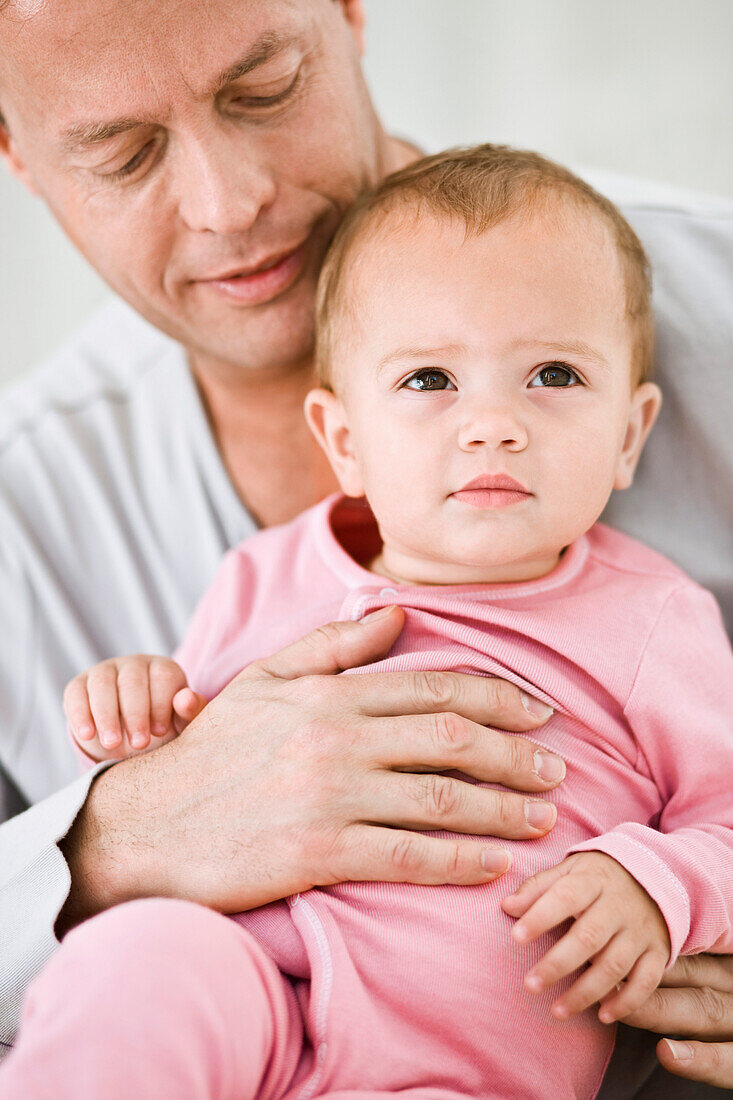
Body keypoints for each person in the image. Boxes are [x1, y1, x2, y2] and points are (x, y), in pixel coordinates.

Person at [0, 1, 731, 1093]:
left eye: (264, 89)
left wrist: (669, 883)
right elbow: (179, 720)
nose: (227, 202)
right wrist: (108, 830)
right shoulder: (41, 513)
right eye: (123, 153)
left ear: (349, 13)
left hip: (478, 1051)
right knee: (144, 967)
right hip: (238, 999)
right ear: (15, 152)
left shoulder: (698, 341)